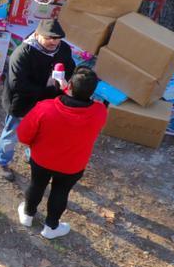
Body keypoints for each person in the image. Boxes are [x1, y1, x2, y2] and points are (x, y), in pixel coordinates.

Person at [15, 67, 108, 239]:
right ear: (94, 91)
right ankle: (51, 227)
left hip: (42, 159)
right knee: (61, 192)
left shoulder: (45, 108)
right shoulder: (100, 111)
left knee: (37, 185)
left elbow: (23, 135)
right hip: (73, 165)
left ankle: (27, 215)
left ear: (70, 84)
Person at [0, 18, 75, 181]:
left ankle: (32, 157)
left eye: (57, 38)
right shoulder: (23, 53)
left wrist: (65, 81)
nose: (53, 42)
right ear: (37, 35)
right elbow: (18, 84)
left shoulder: (62, 49)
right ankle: (0, 161)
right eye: (49, 38)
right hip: (22, 103)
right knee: (11, 135)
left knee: (39, 134)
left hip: (48, 104)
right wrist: (49, 88)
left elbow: (70, 67)